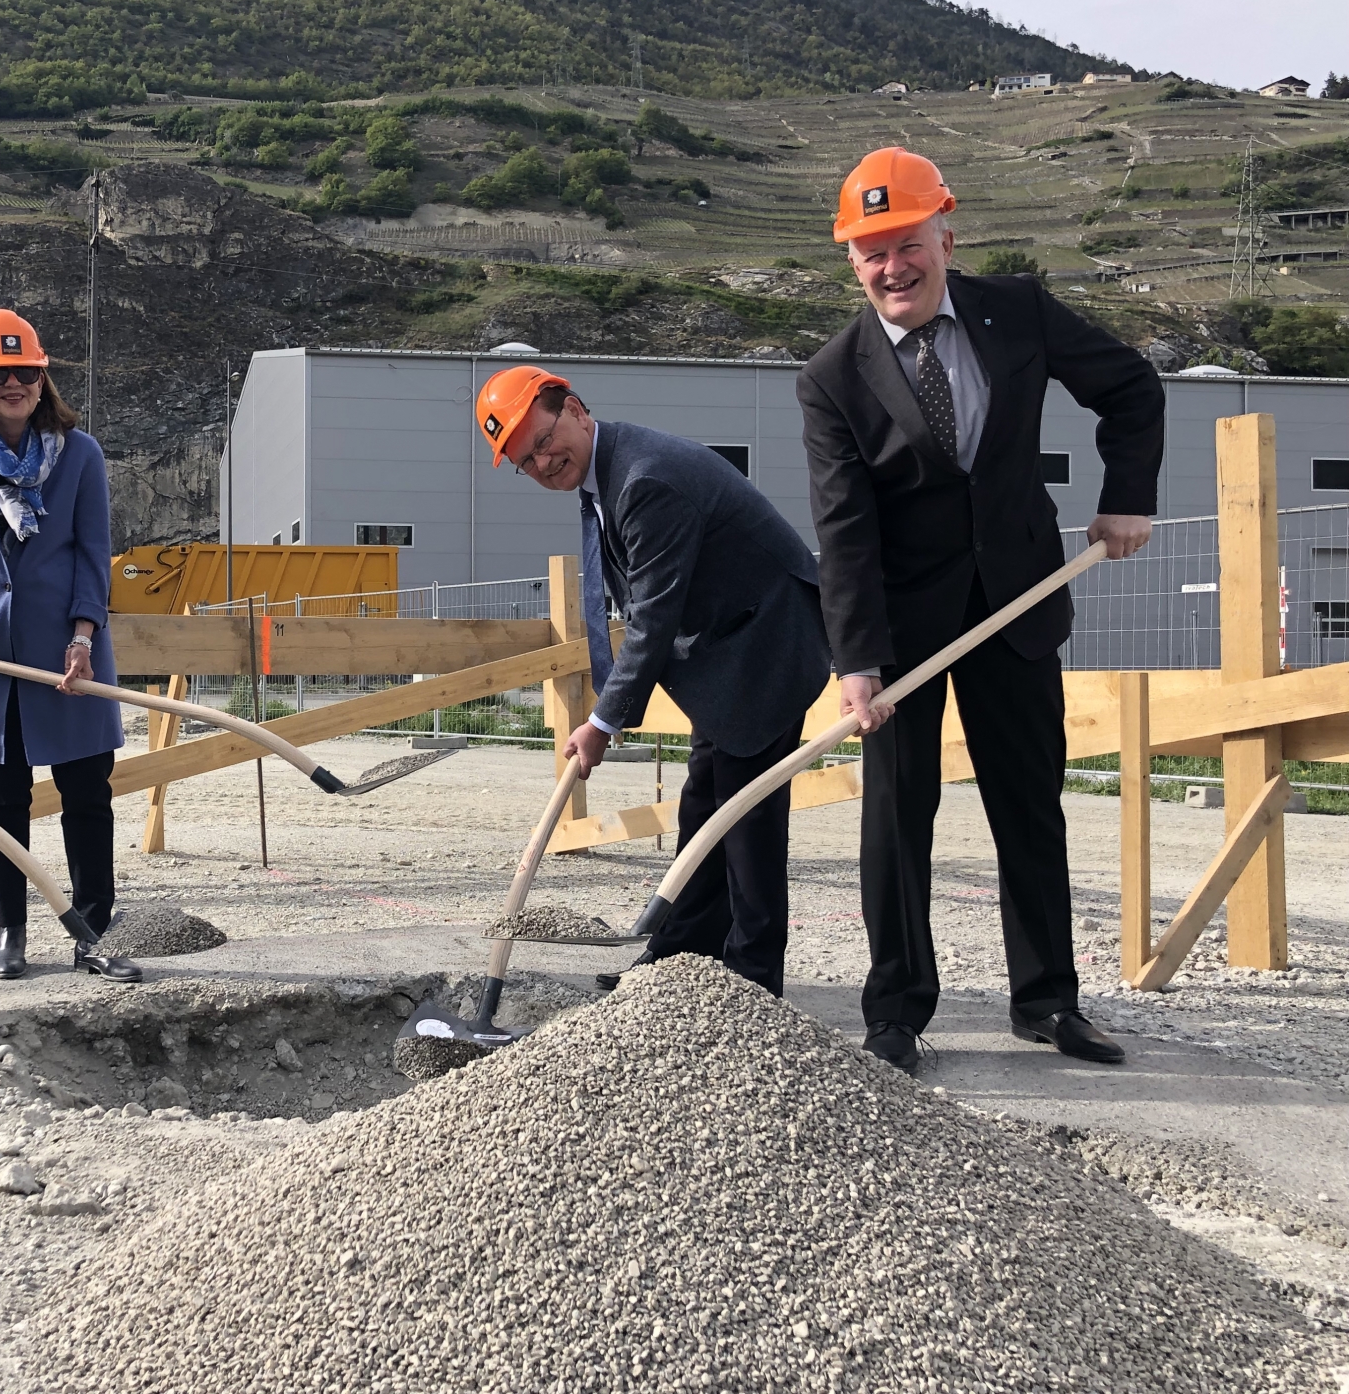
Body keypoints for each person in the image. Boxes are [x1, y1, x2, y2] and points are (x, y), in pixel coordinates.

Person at [797, 147, 1165, 1075]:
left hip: (1017, 603)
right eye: (871, 251)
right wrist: (857, 660)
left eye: (907, 243)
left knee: (1029, 806)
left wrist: (1128, 495)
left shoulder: (1020, 313)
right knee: (896, 815)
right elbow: (843, 529)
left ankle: (1047, 1003)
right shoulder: (832, 378)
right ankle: (895, 1011)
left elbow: (1130, 387)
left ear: (944, 236)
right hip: (903, 627)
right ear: (852, 262)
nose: (893, 267)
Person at [478, 366, 833, 997]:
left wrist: (602, 722)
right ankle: (678, 963)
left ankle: (753, 984)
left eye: (542, 439)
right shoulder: (605, 477)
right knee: (704, 805)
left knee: (746, 819)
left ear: (576, 410)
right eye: (525, 460)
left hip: (766, 645)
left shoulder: (646, 480)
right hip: (726, 655)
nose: (542, 460)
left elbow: (653, 614)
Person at [0, 309, 140, 984]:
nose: (14, 383)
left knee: (87, 791)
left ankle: (93, 931)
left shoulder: (78, 454)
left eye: (25, 371)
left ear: (42, 377)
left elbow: (93, 553)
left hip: (68, 651)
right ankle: (11, 930)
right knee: (2, 796)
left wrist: (84, 635)